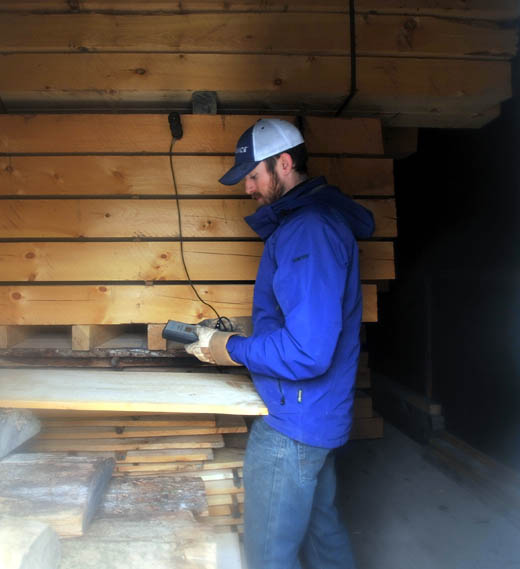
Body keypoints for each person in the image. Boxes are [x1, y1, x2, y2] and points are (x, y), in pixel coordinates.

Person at [184, 119, 374, 569]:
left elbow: (308, 351)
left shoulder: (308, 230)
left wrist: (228, 348)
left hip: (293, 424)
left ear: (284, 164)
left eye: (253, 175)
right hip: (316, 414)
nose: (248, 188)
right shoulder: (312, 224)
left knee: (270, 554)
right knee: (323, 533)